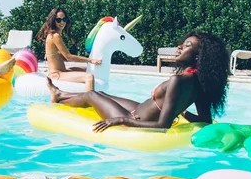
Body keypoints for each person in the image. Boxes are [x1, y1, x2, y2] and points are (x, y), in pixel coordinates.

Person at [46, 31, 230, 131]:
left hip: (134, 118)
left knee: (92, 94)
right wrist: (182, 112)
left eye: (187, 45)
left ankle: (59, 95)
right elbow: (206, 121)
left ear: (199, 57)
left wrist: (120, 120)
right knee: (102, 93)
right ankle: (60, 94)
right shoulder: (200, 82)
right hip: (139, 109)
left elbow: (162, 125)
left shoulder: (178, 81)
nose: (180, 46)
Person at [36, 8, 102, 92]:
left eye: (64, 19)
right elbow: (68, 57)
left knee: (87, 69)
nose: (62, 22)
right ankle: (91, 101)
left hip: (62, 71)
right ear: (53, 21)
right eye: (58, 20)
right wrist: (90, 60)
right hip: (56, 74)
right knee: (89, 77)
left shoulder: (53, 35)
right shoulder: (55, 36)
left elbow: (61, 57)